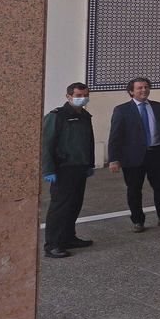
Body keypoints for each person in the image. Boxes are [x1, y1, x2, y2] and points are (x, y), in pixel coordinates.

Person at [106, 77, 160, 232]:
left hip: (157, 154)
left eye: (146, 87)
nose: (144, 90)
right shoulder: (122, 110)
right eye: (139, 88)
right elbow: (115, 136)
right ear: (131, 92)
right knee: (134, 190)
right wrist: (113, 159)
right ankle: (138, 220)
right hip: (133, 157)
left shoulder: (158, 106)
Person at [40, 82, 97, 259]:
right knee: (59, 207)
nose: (83, 98)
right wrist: (48, 169)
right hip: (63, 168)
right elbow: (46, 145)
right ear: (69, 97)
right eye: (79, 95)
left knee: (74, 204)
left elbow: (89, 142)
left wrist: (90, 164)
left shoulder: (85, 115)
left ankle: (68, 238)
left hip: (80, 167)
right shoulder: (57, 116)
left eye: (85, 95)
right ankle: (52, 245)